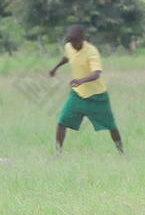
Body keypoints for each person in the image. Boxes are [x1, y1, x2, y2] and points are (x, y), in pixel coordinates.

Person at [48, 25, 124, 154]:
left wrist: (80, 80)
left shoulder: (91, 51)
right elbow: (67, 57)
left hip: (97, 96)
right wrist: (55, 68)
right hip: (78, 94)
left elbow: (96, 74)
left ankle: (121, 151)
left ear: (83, 38)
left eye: (75, 40)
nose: (73, 43)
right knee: (62, 121)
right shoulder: (69, 47)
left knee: (111, 125)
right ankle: (58, 153)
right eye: (70, 40)